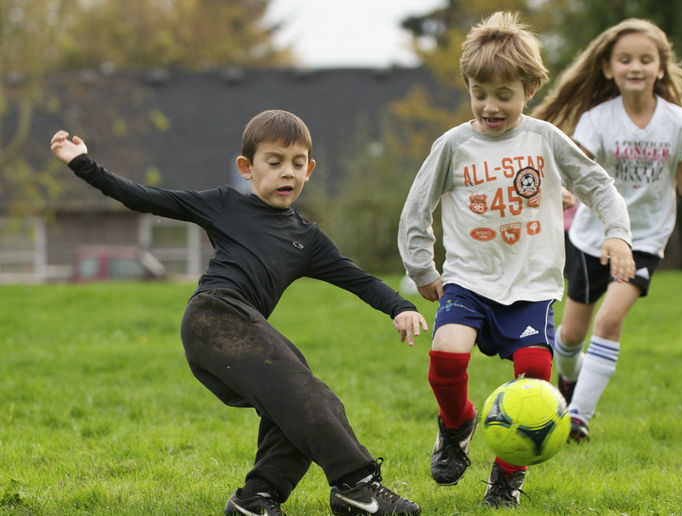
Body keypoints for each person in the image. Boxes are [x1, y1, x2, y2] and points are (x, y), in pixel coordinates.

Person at [50, 110, 426, 516]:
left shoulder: (307, 239)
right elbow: (145, 197)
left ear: (310, 169)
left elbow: (358, 278)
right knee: (307, 396)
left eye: (298, 164)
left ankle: (255, 500)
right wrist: (82, 163)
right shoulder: (225, 206)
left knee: (300, 403)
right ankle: (357, 486)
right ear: (247, 168)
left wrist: (400, 306)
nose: (288, 173)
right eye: (275, 162)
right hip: (214, 317)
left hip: (245, 326)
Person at [397, 11, 634, 509]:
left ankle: (507, 476)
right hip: (468, 280)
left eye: (503, 94)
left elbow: (596, 183)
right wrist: (423, 268)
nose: (489, 106)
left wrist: (618, 235)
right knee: (445, 357)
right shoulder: (453, 145)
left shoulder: (544, 139)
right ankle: (458, 422)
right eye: (479, 92)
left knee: (533, 375)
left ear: (530, 88)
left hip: (531, 286)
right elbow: (418, 208)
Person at [531, 18, 682, 442]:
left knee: (610, 320)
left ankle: (578, 417)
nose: (635, 66)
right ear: (608, 68)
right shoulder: (597, 120)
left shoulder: (678, 123)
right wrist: (564, 192)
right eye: (625, 59)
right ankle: (569, 382)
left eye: (645, 59)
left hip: (643, 241)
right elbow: (579, 175)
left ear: (661, 67)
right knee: (569, 335)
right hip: (591, 238)